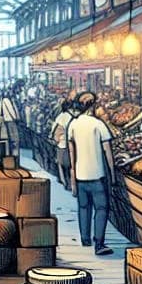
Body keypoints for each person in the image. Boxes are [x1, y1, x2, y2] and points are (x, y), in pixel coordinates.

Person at [67, 91, 114, 256]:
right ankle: (99, 243)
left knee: (83, 207)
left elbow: (71, 153)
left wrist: (73, 175)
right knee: (101, 208)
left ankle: (85, 238)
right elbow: (108, 152)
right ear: (93, 105)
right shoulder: (98, 124)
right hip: (97, 175)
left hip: (80, 175)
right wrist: (112, 174)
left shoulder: (73, 124)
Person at [51, 97, 74, 190]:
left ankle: (65, 182)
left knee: (61, 164)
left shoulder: (61, 117)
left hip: (62, 144)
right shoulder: (70, 117)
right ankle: (69, 184)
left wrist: (56, 140)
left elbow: (56, 131)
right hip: (69, 144)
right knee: (69, 165)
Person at [0, 82, 23, 160]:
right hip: (10, 122)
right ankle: (14, 158)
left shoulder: (3, 100)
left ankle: (12, 157)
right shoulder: (7, 100)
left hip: (6, 122)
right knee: (15, 140)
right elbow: (12, 112)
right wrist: (17, 119)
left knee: (10, 141)